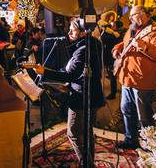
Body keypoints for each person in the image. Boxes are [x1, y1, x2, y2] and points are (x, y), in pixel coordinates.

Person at [33, 19, 105, 165]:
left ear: (83, 32)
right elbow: (76, 73)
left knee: (74, 134)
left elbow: (70, 74)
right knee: (86, 132)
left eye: (73, 30)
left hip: (81, 98)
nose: (69, 32)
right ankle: (88, 162)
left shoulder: (83, 49)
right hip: (92, 95)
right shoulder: (91, 44)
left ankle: (87, 164)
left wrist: (44, 72)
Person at [112, 6, 156, 149]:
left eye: (133, 15)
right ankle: (130, 140)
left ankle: (149, 144)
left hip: (143, 83)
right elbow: (126, 43)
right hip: (127, 79)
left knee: (144, 117)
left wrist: (144, 46)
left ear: (144, 15)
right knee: (127, 111)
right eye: (130, 16)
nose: (130, 18)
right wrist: (117, 48)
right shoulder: (131, 30)